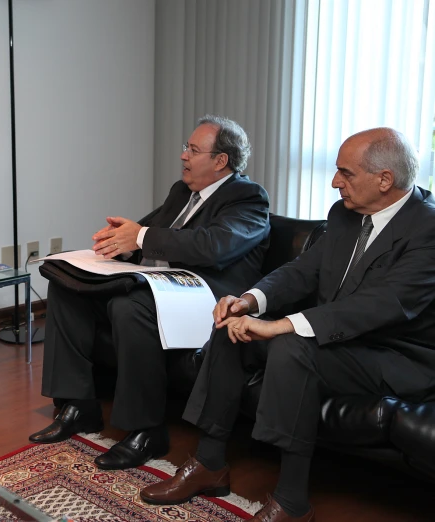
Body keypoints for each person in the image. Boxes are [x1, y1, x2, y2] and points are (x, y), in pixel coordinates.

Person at [140, 127, 435, 521]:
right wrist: (248, 302)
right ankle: (210, 463)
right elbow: (302, 271)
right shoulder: (345, 216)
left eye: (345, 174)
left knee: (292, 346)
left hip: (391, 355)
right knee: (232, 329)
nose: (335, 183)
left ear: (385, 180)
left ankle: (292, 502)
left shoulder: (427, 229)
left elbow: (382, 304)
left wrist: (282, 326)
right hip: (339, 342)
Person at [29, 115, 271, 470]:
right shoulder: (182, 192)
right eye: (185, 148)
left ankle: (147, 431)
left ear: (221, 161)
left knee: (131, 307)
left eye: (193, 149)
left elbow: (214, 247)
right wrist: (120, 244)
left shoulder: (247, 199)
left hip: (207, 300)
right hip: (162, 289)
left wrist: (139, 236)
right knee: (67, 288)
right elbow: (147, 234)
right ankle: (78, 405)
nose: (183, 156)